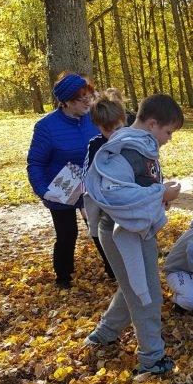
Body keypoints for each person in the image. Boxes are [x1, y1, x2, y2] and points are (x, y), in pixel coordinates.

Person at [82, 94, 183, 375]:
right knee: (146, 293)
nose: (169, 139)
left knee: (133, 286)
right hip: (120, 233)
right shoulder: (127, 149)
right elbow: (115, 195)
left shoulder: (140, 145)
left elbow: (137, 189)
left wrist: (159, 196)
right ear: (152, 124)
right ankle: (152, 359)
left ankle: (104, 334)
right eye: (168, 132)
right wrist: (161, 192)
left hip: (134, 230)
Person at [27, 72, 100, 290]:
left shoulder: (94, 118)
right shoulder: (46, 127)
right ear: (66, 102)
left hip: (90, 186)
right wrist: (43, 190)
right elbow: (35, 162)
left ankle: (114, 271)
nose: (88, 101)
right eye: (81, 98)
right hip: (61, 188)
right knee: (67, 234)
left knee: (99, 229)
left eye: (89, 95)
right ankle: (63, 277)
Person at [83, 90, 129, 279]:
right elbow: (88, 177)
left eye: (117, 128)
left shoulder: (134, 141)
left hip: (131, 208)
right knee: (116, 255)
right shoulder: (95, 145)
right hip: (108, 211)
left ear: (124, 121)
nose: (112, 134)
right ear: (98, 127)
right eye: (106, 130)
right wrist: (86, 204)